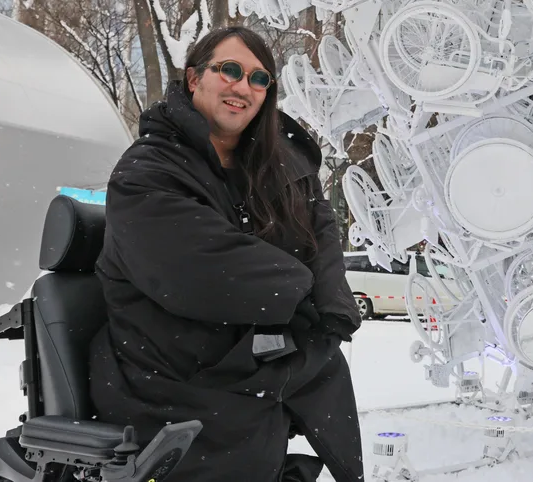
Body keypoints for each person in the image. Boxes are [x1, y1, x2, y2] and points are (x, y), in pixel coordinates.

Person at [88, 27, 363, 482]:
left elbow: (321, 235)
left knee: (318, 390)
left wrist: (329, 307)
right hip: (168, 376)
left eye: (259, 79)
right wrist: (302, 293)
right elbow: (202, 270)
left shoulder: (279, 168)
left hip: (254, 364)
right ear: (194, 78)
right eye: (230, 70)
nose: (243, 87)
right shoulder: (146, 170)